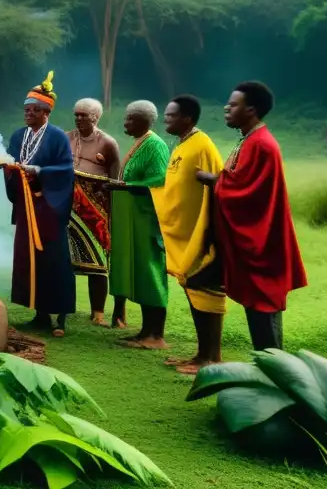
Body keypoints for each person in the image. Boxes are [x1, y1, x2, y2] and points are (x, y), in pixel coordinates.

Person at [196, 82, 307, 351]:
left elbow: (246, 192)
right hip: (256, 244)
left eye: (233, 105)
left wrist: (211, 179)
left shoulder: (262, 145)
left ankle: (275, 375)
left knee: (264, 311)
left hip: (263, 244)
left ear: (251, 109)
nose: (226, 108)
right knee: (258, 312)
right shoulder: (249, 139)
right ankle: (271, 370)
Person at [0, 71, 76, 338]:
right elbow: (11, 159)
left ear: (46, 112)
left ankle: (60, 318)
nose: (27, 114)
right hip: (25, 207)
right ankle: (40, 315)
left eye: (33, 110)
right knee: (29, 260)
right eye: (26, 110)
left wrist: (38, 171)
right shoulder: (19, 136)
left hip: (49, 209)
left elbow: (66, 169)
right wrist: (7, 167)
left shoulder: (57, 136)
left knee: (54, 260)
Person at [157, 95, 226, 375]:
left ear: (187, 118)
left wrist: (208, 232)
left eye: (171, 116)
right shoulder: (182, 143)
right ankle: (201, 355)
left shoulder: (202, 146)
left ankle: (212, 358)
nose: (166, 120)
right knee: (193, 292)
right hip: (184, 237)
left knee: (207, 292)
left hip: (202, 236)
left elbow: (218, 189)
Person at [108, 100, 170, 350]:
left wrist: (124, 187)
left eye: (130, 119)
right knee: (143, 276)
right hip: (136, 221)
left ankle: (156, 335)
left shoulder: (155, 145)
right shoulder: (141, 143)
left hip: (148, 222)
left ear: (144, 121)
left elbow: (159, 179)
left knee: (152, 274)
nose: (125, 123)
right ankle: (146, 331)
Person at [66, 98, 121, 327]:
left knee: (97, 261)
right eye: (76, 114)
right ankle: (65, 306)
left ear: (95, 118)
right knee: (65, 258)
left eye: (83, 115)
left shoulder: (107, 143)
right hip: (68, 206)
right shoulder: (66, 138)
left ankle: (97, 312)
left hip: (95, 211)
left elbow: (115, 178)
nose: (79, 119)